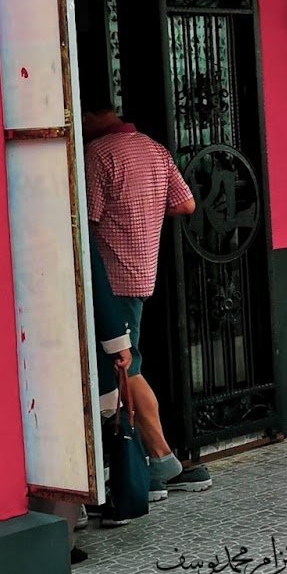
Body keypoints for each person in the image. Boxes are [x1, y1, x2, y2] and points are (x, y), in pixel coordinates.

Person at [83, 102, 211, 504]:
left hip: (111, 279)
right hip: (142, 273)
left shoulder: (98, 155)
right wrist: (146, 211)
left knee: (127, 367)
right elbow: (187, 203)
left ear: (89, 117)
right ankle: (147, 463)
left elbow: (84, 220)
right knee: (127, 364)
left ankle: (161, 460)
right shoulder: (153, 148)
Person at [31, 232, 135, 564]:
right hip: (69, 347)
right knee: (73, 444)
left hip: (27, 348)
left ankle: (52, 528)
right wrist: (118, 343)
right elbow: (96, 286)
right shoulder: (67, 222)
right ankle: (60, 539)